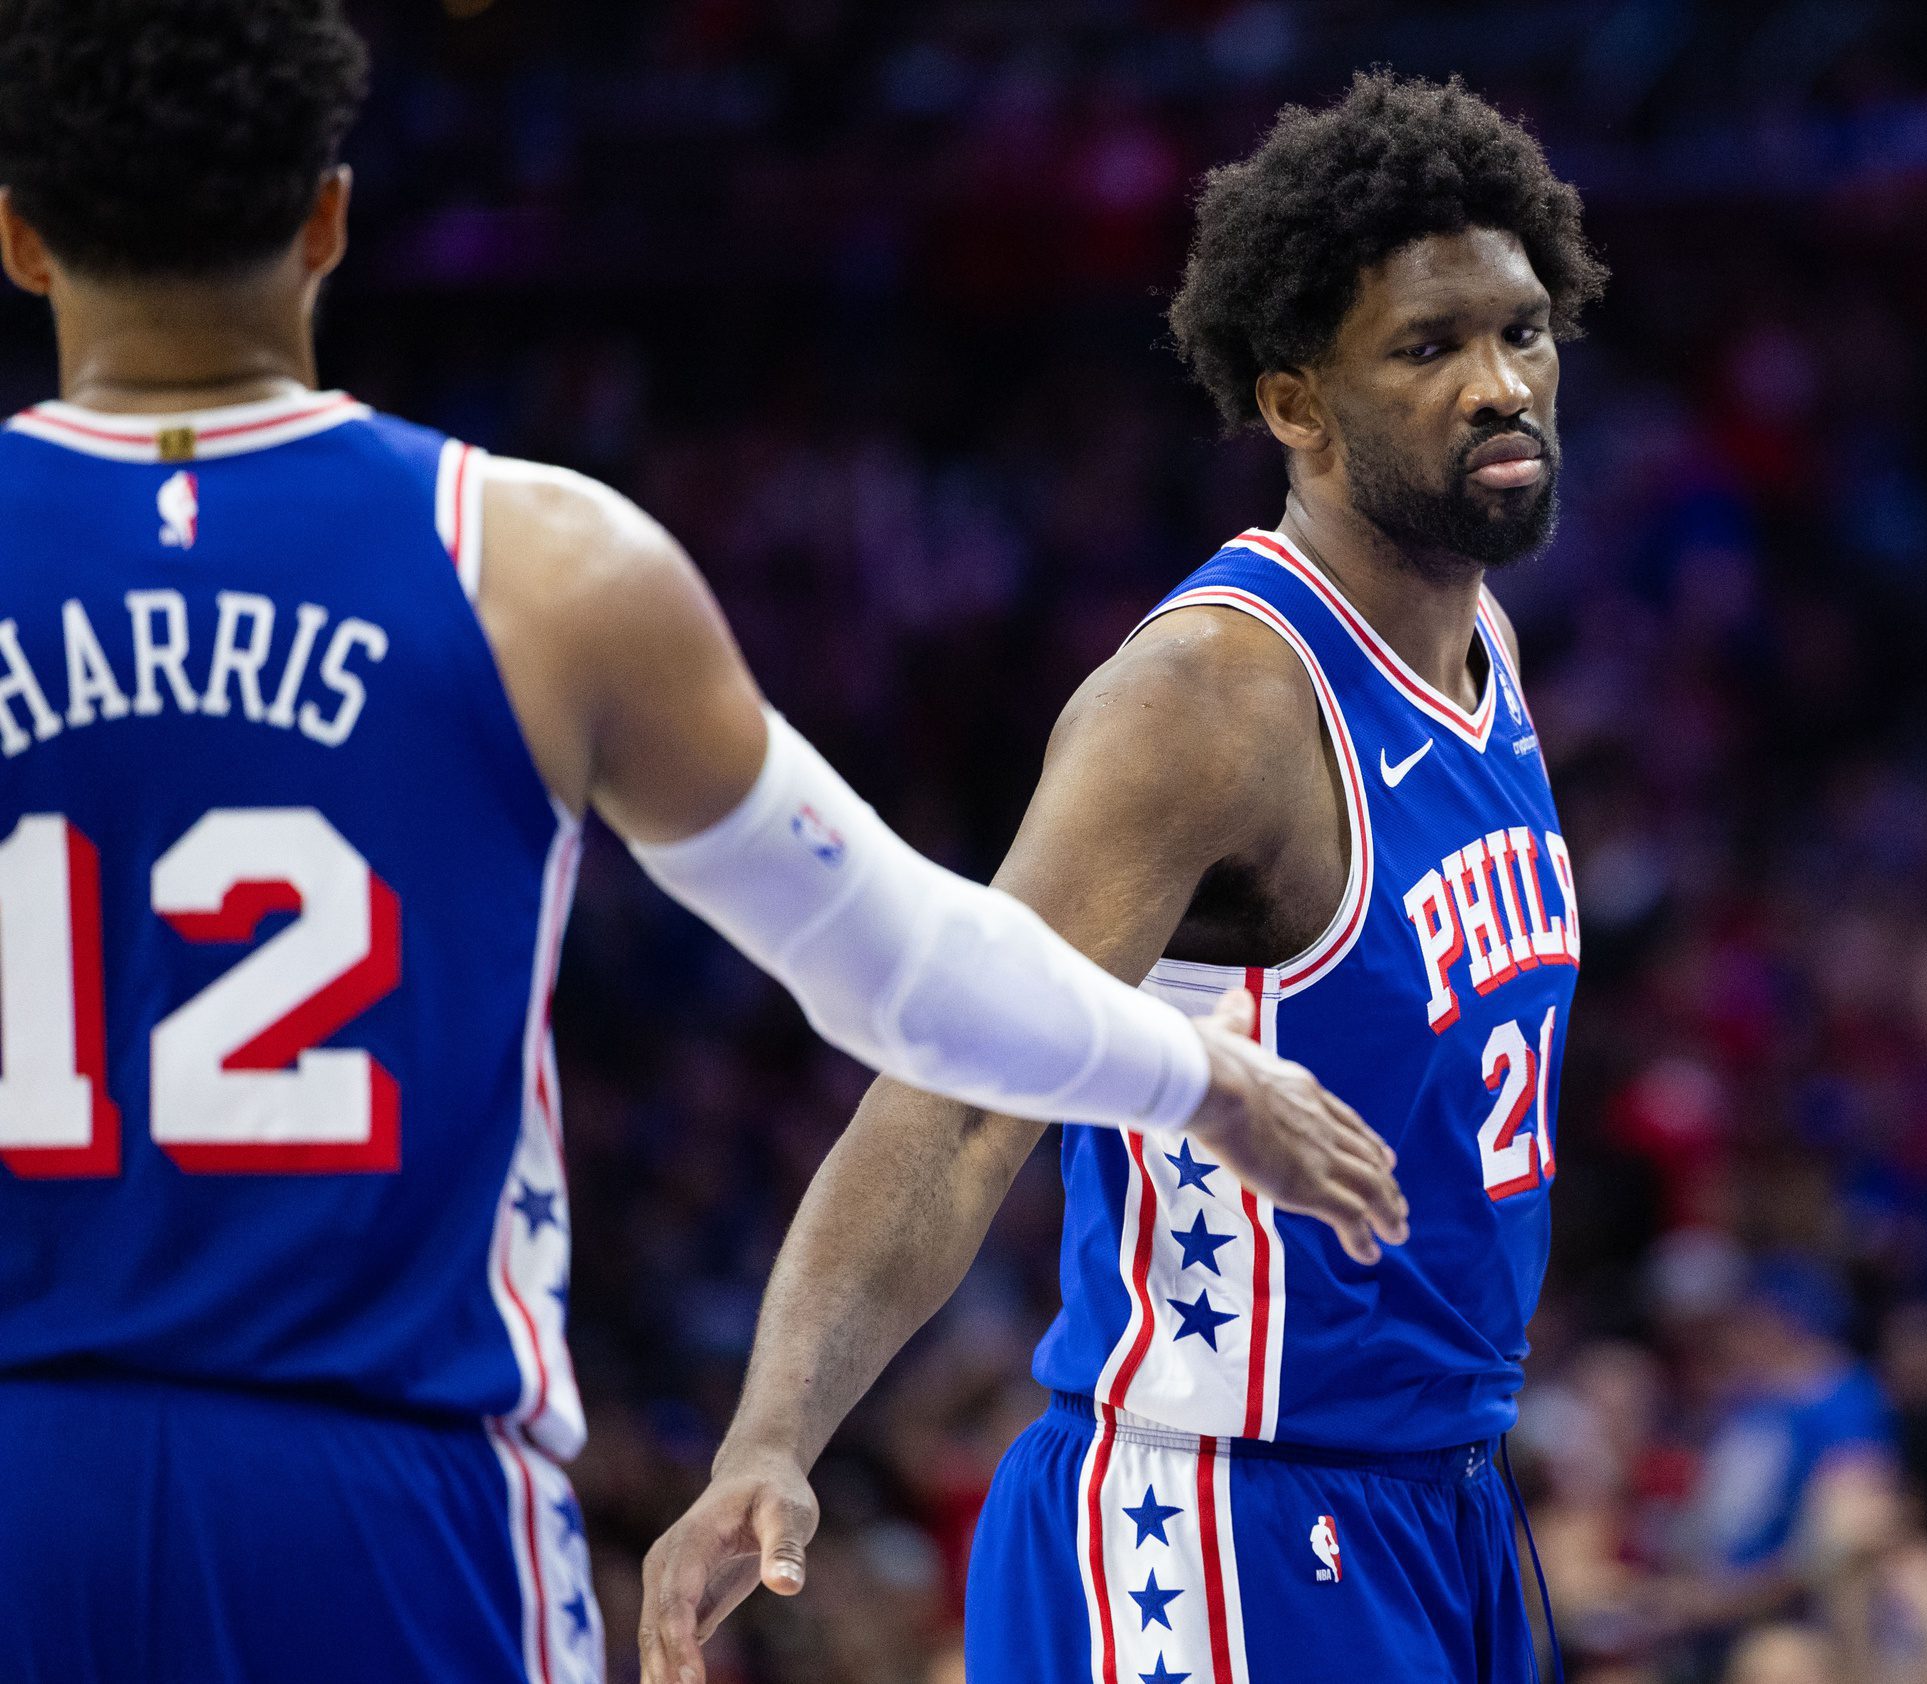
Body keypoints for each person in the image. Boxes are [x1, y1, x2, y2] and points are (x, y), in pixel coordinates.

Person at [0, 5, 1402, 1682]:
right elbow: (908, 971)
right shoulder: (539, 564)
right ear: (329, 217)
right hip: (387, 1480)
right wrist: (1205, 1079)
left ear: (17, 234)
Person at [642, 70, 1607, 1684]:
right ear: (1295, 404)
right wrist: (774, 1435)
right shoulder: (1210, 702)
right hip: (1217, 1523)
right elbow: (954, 1091)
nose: (1500, 385)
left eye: (1520, 331)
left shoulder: (1482, 642)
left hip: (1441, 1504)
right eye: (1428, 349)